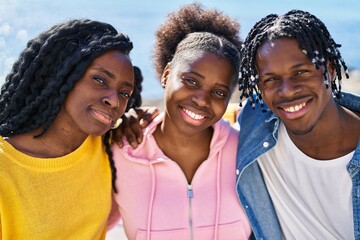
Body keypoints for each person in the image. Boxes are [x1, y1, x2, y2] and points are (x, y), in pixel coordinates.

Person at [108, 3, 251, 240]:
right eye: (191, 81)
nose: (202, 100)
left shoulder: (245, 152)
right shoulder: (121, 151)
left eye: (218, 93)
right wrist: (116, 122)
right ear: (166, 74)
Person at [0, 19, 136, 239]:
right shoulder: (5, 171)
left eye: (124, 93)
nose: (114, 101)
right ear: (62, 74)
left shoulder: (106, 146)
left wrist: (137, 118)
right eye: (100, 79)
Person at [236, 9, 360, 239]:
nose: (287, 91)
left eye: (301, 72)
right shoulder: (255, 124)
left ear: (330, 69)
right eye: (271, 79)